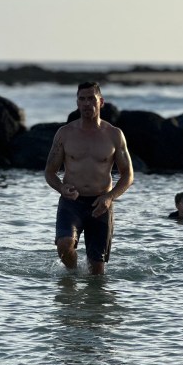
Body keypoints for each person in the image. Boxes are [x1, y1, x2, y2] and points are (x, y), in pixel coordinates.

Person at [44, 81, 134, 275]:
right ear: (77, 103)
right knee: (64, 246)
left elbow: (128, 174)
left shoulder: (114, 135)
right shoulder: (65, 134)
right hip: (71, 202)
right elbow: (50, 172)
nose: (86, 103)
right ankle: (74, 274)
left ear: (101, 102)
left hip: (101, 205)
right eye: (81, 99)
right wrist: (61, 188)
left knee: (97, 272)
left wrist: (110, 197)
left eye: (91, 99)